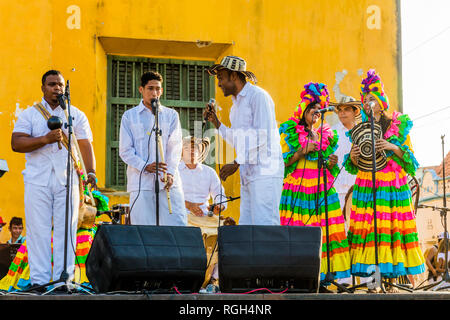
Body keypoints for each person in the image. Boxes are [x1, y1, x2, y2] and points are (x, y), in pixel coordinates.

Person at [11, 70, 96, 290]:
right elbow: (16, 143)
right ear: (43, 88)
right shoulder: (29, 114)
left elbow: (86, 144)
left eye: (60, 85)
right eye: (51, 84)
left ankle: (63, 280)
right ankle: (39, 281)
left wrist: (91, 172)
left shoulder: (75, 114)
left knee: (66, 229)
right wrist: (44, 139)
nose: (56, 88)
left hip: (68, 181)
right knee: (38, 230)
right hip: (37, 180)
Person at [345, 69, 425, 291]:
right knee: (371, 232)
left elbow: (411, 161)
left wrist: (392, 146)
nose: (369, 103)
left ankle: (393, 282)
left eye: (373, 98)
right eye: (366, 100)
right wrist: (353, 156)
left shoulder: (398, 125)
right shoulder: (360, 128)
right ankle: (373, 283)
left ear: (381, 100)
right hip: (368, 184)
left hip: (392, 186)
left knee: (391, 231)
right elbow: (353, 165)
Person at [278, 82, 351, 284]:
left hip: (322, 190)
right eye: (313, 110)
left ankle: (323, 277)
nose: (317, 114)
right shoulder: (291, 131)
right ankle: (298, 278)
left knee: (324, 233)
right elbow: (282, 163)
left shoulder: (326, 135)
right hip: (299, 190)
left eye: (319, 111)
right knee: (299, 232)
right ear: (304, 110)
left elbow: (326, 165)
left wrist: (331, 162)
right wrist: (302, 151)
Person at [204, 56, 284, 225]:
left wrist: (236, 162)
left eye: (221, 78)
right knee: (247, 227)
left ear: (233, 76)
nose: (218, 84)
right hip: (248, 175)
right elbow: (239, 140)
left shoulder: (258, 97)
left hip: (265, 173)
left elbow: (263, 135)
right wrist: (216, 123)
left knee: (265, 224)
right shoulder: (235, 107)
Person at [119, 71, 187, 226]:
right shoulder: (129, 116)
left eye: (158, 89)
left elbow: (175, 148)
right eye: (150, 88)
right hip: (141, 183)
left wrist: (169, 173)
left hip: (167, 182)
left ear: (161, 91)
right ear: (141, 89)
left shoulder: (171, 115)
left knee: (176, 225)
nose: (154, 92)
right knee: (144, 230)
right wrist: (144, 166)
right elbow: (125, 150)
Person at [179, 136, 227, 217]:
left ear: (200, 151)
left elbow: (220, 195)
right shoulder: (174, 171)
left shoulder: (209, 172)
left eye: (194, 148)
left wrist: (219, 207)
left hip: (205, 216)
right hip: (180, 216)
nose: (191, 151)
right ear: (181, 152)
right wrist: (188, 205)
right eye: (187, 148)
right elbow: (168, 197)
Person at [330, 96, 361, 213]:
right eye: (340, 110)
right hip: (336, 189)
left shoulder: (362, 132)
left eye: (346, 109)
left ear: (355, 111)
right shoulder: (332, 133)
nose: (342, 113)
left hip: (358, 188)